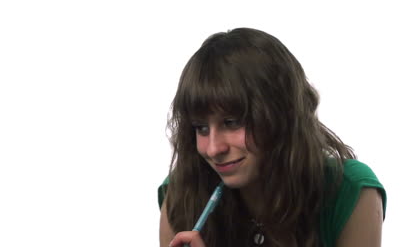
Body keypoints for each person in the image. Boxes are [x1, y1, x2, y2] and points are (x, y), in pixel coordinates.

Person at [158, 28, 386, 247]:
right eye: (201, 128)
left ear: (281, 115)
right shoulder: (182, 193)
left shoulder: (349, 192)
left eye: (232, 122)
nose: (214, 148)